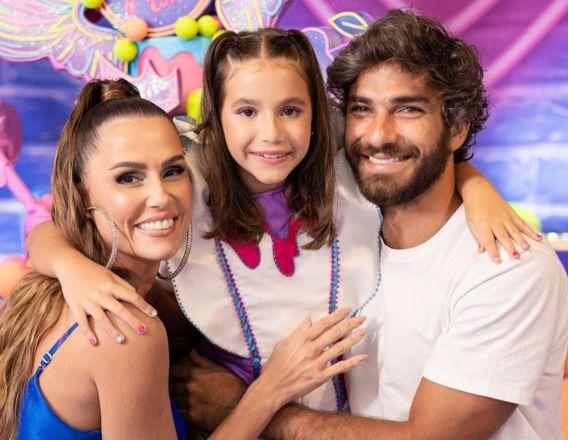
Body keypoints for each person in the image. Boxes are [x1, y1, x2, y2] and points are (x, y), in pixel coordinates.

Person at [28, 29, 538, 415]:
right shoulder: (186, 170)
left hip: (334, 412)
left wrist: (476, 185)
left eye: (291, 110)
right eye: (246, 111)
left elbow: (411, 148)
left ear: (316, 116)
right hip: (220, 405)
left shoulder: (340, 149)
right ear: (216, 118)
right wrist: (74, 268)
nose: (270, 134)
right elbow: (51, 228)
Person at [174, 11, 568, 440]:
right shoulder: (350, 233)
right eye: (362, 109)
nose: (378, 134)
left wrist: (244, 407)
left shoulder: (506, 266)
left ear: (456, 128)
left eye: (408, 109)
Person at [0, 79, 367, 440]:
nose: (160, 195)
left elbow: (44, 234)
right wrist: (269, 392)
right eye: (129, 178)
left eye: (173, 170)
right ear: (82, 196)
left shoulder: (84, 286)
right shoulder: (127, 330)